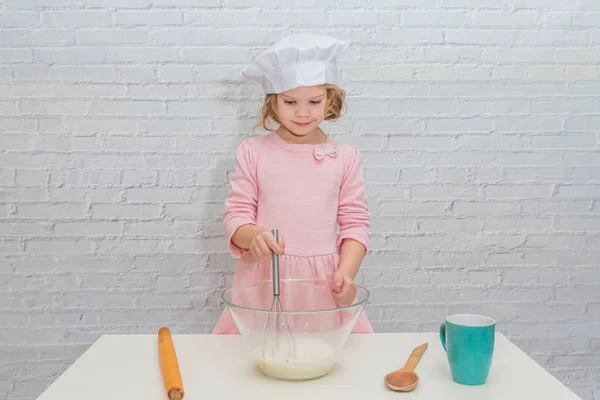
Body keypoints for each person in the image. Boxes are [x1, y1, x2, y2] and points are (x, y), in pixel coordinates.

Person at [212, 33, 373, 334]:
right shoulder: (254, 152)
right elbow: (236, 215)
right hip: (263, 281)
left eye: (314, 101)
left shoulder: (345, 157)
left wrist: (347, 274)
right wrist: (253, 236)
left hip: (322, 284)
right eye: (290, 102)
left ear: (330, 101)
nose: (302, 112)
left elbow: (356, 224)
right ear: (273, 103)